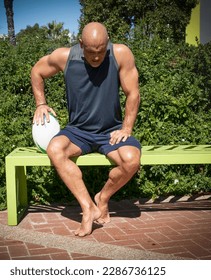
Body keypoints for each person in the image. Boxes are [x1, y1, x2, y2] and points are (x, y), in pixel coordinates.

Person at [31, 22, 141, 237]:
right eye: (91, 52)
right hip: (77, 131)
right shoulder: (65, 56)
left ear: (108, 43)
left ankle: (103, 198)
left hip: (110, 131)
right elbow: (37, 71)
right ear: (81, 44)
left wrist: (127, 128)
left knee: (131, 161)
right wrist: (41, 103)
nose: (97, 57)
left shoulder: (121, 54)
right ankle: (88, 208)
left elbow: (133, 93)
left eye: (101, 51)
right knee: (55, 149)